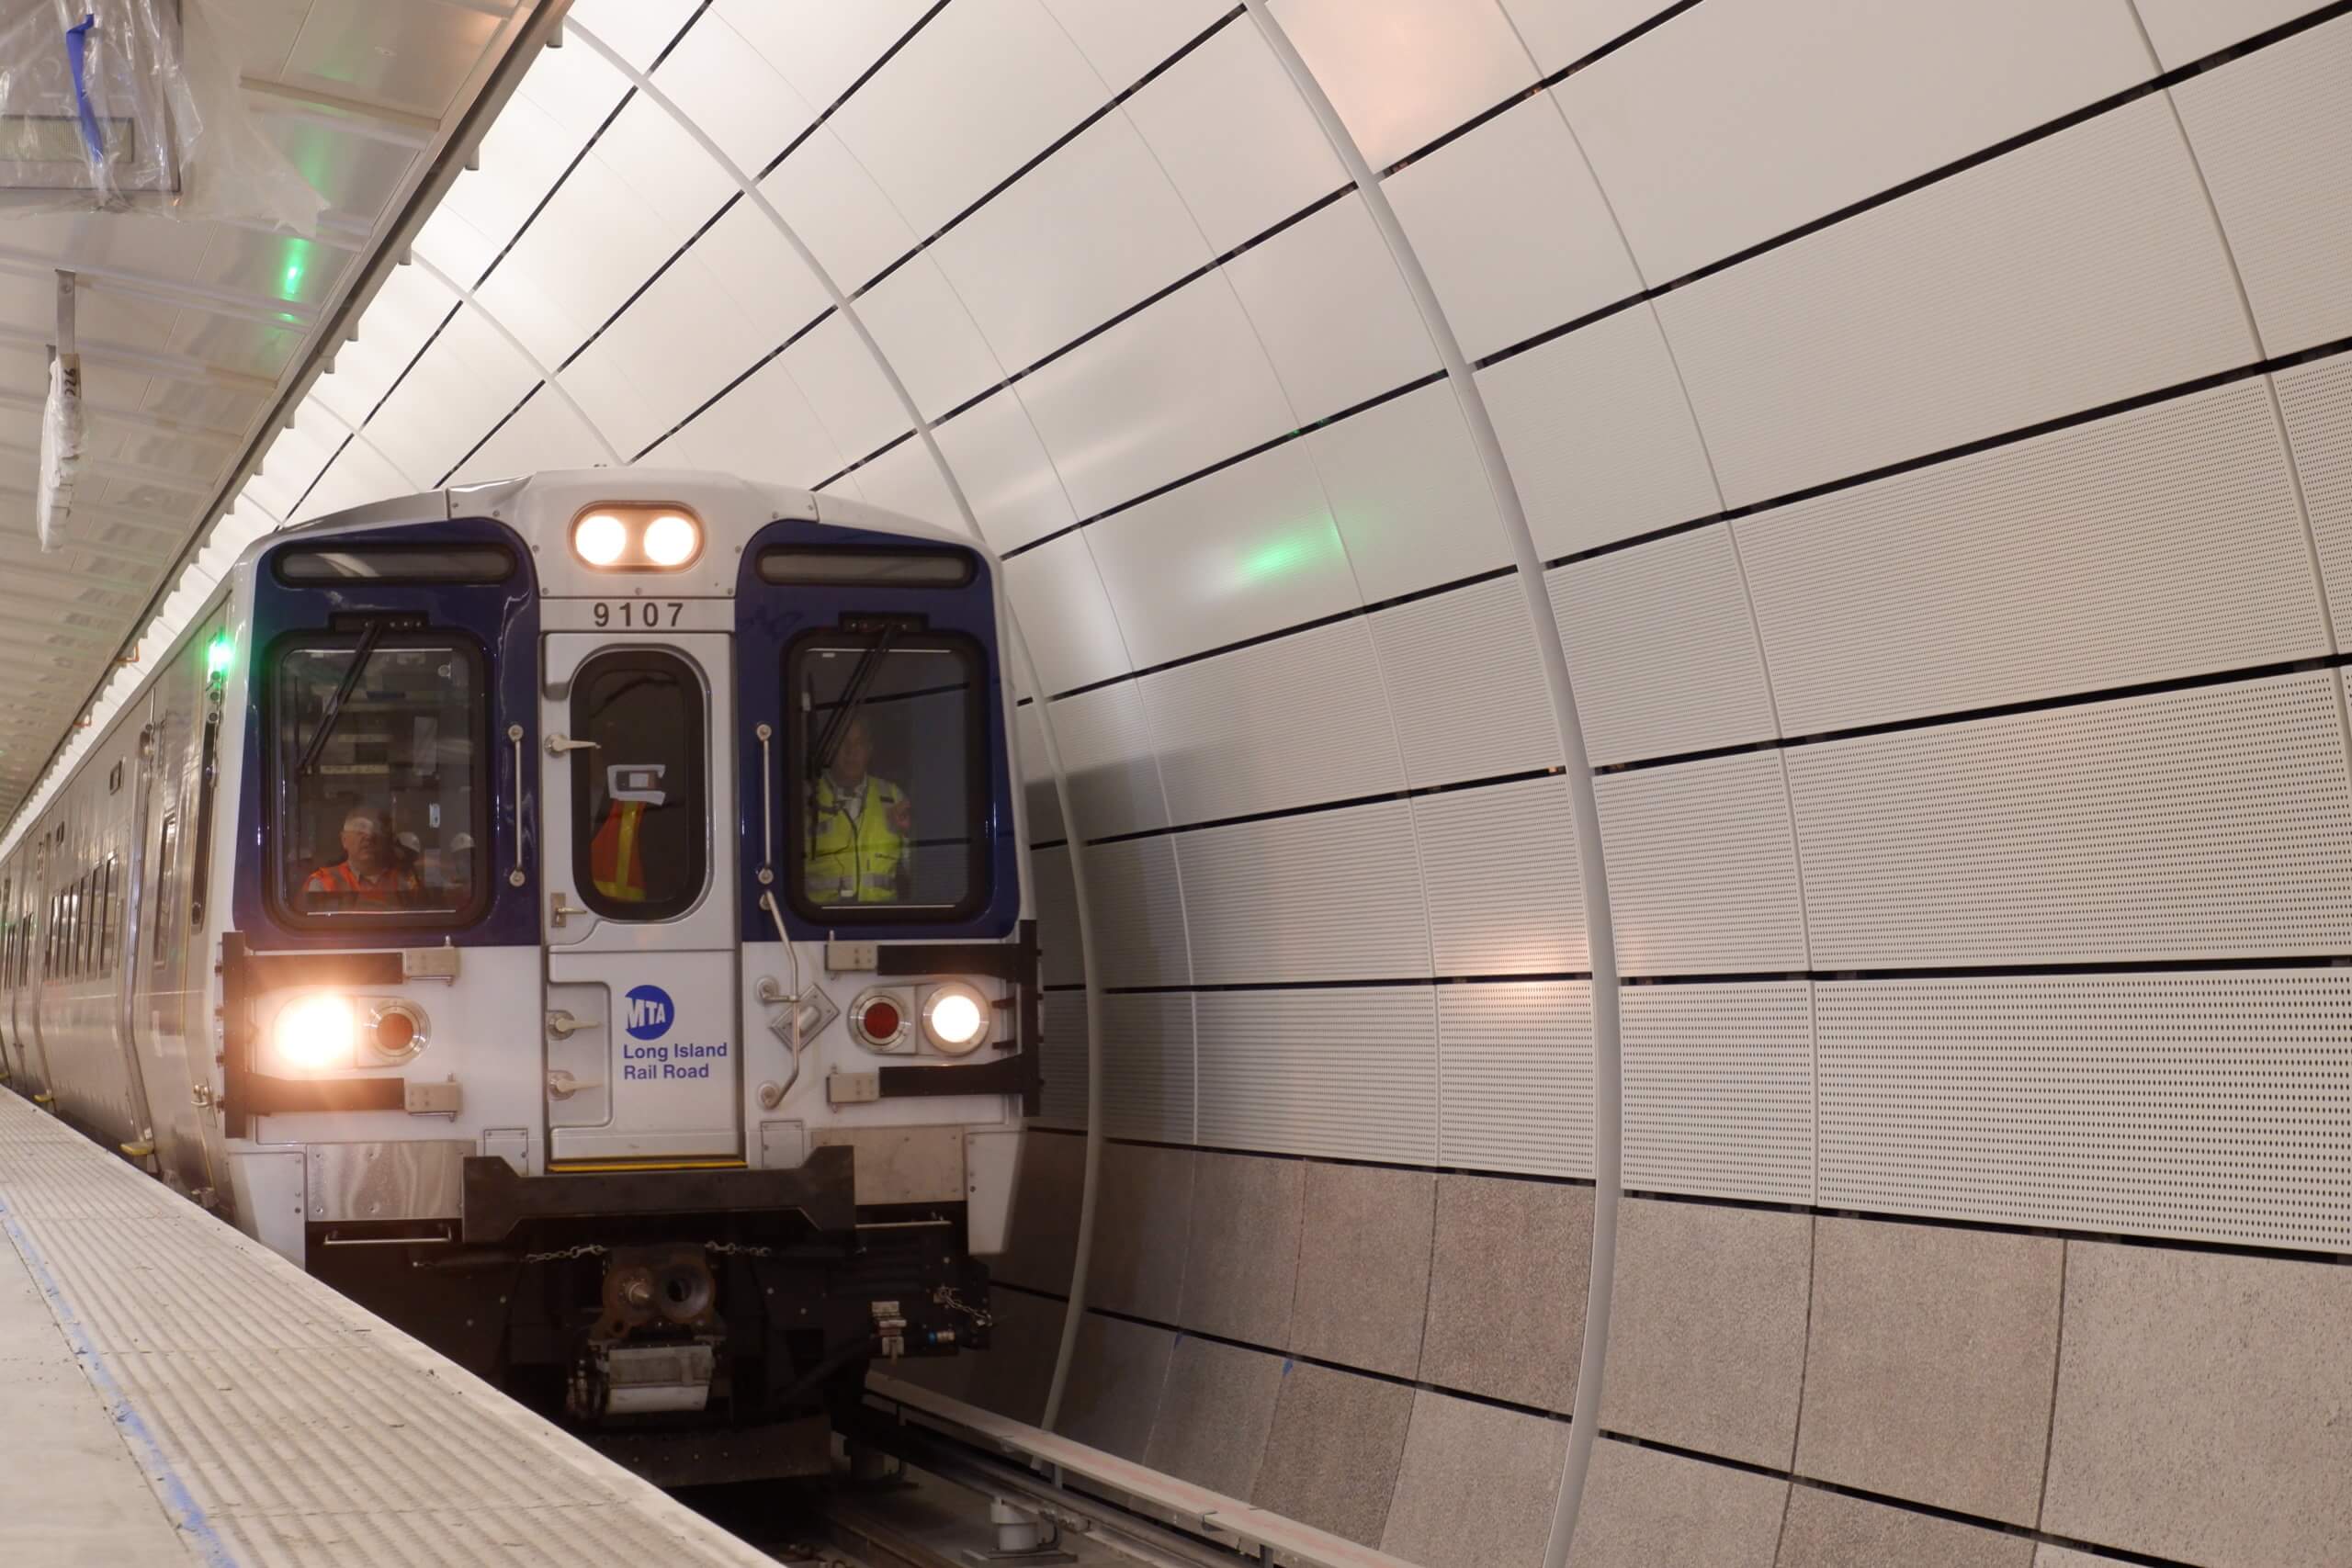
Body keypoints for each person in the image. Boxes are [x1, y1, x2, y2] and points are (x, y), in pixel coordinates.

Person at [807, 715, 912, 904]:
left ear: (869, 750)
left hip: (881, 923)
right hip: (818, 922)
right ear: (830, 749)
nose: (851, 752)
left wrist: (906, 833)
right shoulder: (806, 798)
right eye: (843, 743)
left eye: (859, 744)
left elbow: (916, 871)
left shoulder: (892, 796)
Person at [304, 809, 421, 908]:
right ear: (344, 840)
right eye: (359, 831)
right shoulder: (322, 883)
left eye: (374, 831)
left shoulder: (404, 882)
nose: (368, 837)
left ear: (384, 840)